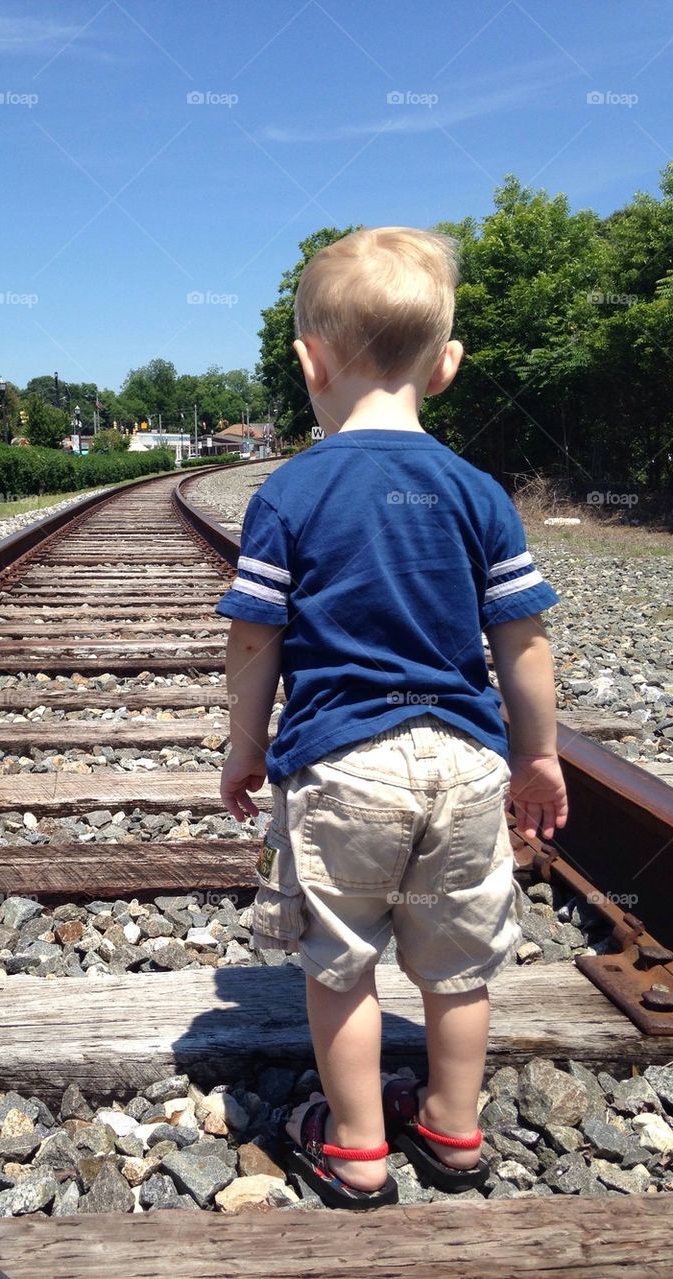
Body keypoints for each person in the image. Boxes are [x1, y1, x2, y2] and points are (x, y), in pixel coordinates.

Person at [216, 227, 568, 1209]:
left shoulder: (289, 493)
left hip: (343, 768)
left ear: (308, 362)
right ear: (446, 366)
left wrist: (246, 747)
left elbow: (255, 644)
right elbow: (524, 644)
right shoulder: (479, 494)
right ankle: (455, 1132)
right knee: (458, 969)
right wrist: (538, 756)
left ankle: (360, 1147)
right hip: (464, 764)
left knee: (341, 965)